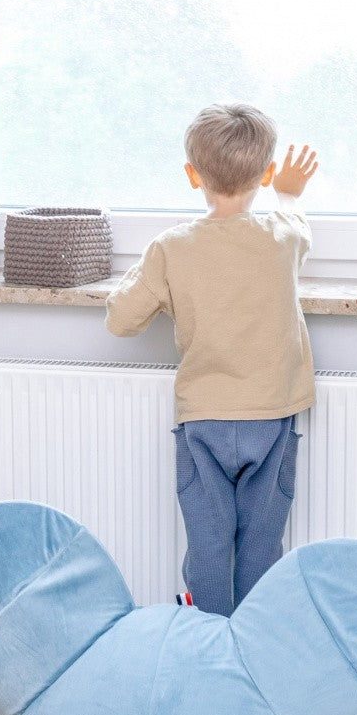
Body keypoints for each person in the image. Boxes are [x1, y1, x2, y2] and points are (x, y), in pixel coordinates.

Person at [105, 103, 318, 615]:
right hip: (272, 418)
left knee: (208, 544)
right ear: (265, 174)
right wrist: (288, 191)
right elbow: (294, 221)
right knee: (261, 547)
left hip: (204, 423)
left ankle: (205, 636)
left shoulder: (171, 248)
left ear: (191, 174)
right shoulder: (282, 239)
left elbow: (122, 321)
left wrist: (151, 277)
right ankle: (253, 639)